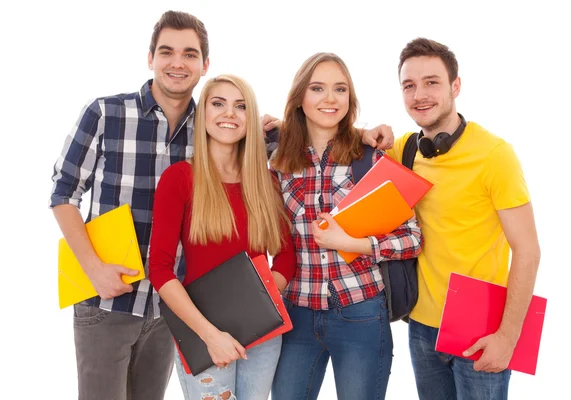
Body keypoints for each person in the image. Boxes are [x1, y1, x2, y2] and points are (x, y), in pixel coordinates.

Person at [49, 10, 213, 400]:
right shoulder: (106, 113)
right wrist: (93, 269)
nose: (177, 62)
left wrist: (363, 134)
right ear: (150, 57)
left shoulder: (212, 127)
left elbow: (286, 145)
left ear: (205, 65)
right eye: (167, 51)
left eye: (190, 54)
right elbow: (63, 193)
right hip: (107, 299)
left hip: (170, 307)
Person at [386, 38, 541, 399]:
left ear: (456, 86)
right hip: (421, 325)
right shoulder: (406, 148)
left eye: (432, 82)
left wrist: (508, 336)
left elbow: (528, 250)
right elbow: (345, 148)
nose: (419, 94)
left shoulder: (494, 155)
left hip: (480, 329)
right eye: (409, 85)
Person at [269, 52, 423, 400]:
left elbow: (412, 238)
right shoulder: (277, 162)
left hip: (361, 314)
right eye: (317, 88)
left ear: (350, 99)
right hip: (297, 315)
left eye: (340, 89)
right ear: (300, 98)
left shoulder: (370, 159)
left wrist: (355, 243)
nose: (329, 98)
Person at [148, 74, 296, 400]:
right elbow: (159, 269)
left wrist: (256, 304)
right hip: (202, 332)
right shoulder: (180, 178)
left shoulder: (266, 182)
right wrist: (210, 335)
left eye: (240, 106)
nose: (229, 113)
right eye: (218, 104)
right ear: (203, 116)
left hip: (263, 331)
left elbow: (286, 258)